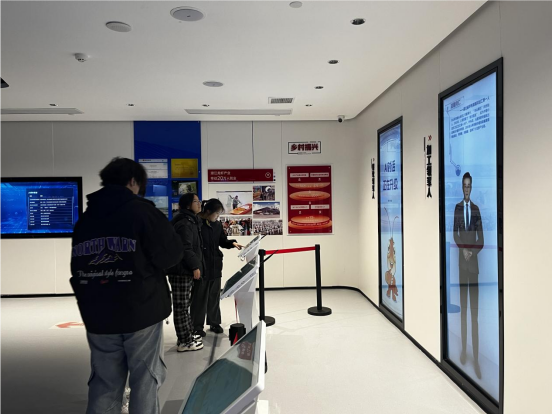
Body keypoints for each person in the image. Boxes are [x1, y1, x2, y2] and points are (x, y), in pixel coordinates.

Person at [70, 157, 184, 414]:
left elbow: (77, 266)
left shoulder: (86, 219)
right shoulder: (143, 212)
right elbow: (171, 254)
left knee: (104, 383)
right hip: (140, 309)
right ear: (133, 181)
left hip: (97, 313)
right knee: (145, 380)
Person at [192, 199, 244, 337]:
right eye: (216, 214)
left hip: (215, 265)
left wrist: (232, 243)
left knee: (214, 296)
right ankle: (197, 326)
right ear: (208, 211)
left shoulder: (217, 225)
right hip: (202, 266)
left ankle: (214, 322)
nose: (218, 217)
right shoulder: (196, 223)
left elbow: (222, 241)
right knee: (200, 297)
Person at [453, 172, 485, 380]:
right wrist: (463, 249)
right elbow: (454, 233)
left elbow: (481, 240)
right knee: (463, 311)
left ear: (471, 188)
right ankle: (464, 351)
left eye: (469, 186)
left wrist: (470, 252)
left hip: (473, 268)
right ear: (462, 187)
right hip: (461, 268)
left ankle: (476, 358)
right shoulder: (457, 209)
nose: (466, 189)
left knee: (474, 314)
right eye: (464, 185)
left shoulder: (476, 210)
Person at [166, 193, 205, 352]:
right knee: (181, 306)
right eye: (196, 201)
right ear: (188, 205)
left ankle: (187, 335)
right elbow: (185, 248)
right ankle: (184, 342)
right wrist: (195, 266)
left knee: (184, 305)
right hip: (180, 270)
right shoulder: (184, 223)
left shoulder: (190, 220)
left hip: (183, 268)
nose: (199, 204)